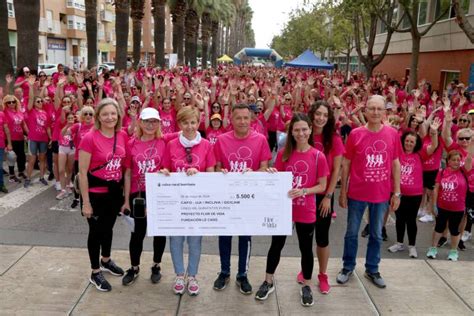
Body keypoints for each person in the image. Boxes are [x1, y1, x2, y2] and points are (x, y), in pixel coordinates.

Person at [254, 113, 328, 306]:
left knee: (305, 249)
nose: (301, 133)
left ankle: (307, 285)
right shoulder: (284, 154)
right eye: (296, 130)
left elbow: (322, 185)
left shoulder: (318, 156)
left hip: (306, 210)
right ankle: (268, 281)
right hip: (284, 209)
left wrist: (304, 190)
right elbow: (277, 178)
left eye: (304, 129)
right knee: (276, 245)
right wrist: (271, 173)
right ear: (291, 132)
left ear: (310, 129)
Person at [337, 95, 402, 289]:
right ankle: (347, 266)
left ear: (384, 112)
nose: (375, 112)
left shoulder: (392, 134)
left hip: (381, 194)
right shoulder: (356, 134)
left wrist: (397, 192)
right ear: (365, 111)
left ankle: (372, 269)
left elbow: (395, 164)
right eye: (371, 108)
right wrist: (343, 191)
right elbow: (346, 163)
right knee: (351, 233)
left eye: (378, 109)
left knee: (376, 234)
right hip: (357, 193)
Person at [213, 103, 272, 295]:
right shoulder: (221, 140)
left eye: (246, 118)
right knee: (225, 235)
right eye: (238, 118)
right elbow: (216, 167)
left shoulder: (260, 139)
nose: (242, 121)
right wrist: (220, 171)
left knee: (245, 236)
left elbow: (264, 168)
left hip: (249, 197)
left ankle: (242, 274)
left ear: (252, 118)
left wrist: (253, 172)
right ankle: (224, 271)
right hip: (226, 195)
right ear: (231, 119)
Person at [162, 106, 216, 296]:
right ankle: (179, 274)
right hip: (175, 201)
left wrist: (197, 174)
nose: (190, 126)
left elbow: (210, 174)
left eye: (193, 122)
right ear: (179, 124)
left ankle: (192, 276)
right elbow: (165, 168)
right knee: (175, 240)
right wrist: (165, 173)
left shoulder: (207, 145)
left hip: (197, 203)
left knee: (194, 241)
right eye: (185, 122)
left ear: (198, 123)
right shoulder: (171, 144)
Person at [293, 101, 344, 294]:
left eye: (325, 114)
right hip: (303, 194)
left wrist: (328, 196)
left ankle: (322, 274)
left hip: (323, 195)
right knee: (305, 239)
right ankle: (306, 269)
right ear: (311, 114)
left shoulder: (334, 139)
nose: (321, 118)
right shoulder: (303, 133)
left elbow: (337, 169)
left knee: (322, 238)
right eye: (318, 114)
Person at [79, 98, 127, 292]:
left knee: (108, 228)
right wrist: (86, 203)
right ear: (98, 116)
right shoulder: (90, 138)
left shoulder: (121, 135)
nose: (110, 117)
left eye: (113, 114)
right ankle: (95, 271)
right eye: (105, 114)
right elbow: (82, 173)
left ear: (118, 115)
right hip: (95, 193)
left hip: (114, 192)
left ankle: (106, 260)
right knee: (96, 232)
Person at [121, 108, 168, 286]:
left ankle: (156, 265)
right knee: (138, 232)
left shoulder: (164, 142)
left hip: (158, 194)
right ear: (140, 122)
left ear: (159, 123)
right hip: (138, 195)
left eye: (154, 121)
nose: (150, 125)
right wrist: (126, 200)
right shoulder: (131, 144)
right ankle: (134, 267)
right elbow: (127, 173)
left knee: (159, 232)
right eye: (147, 121)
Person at [387, 120, 440, 258]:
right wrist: (388, 128)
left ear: (416, 144)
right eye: (407, 141)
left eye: (412, 142)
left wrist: (433, 131)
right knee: (399, 219)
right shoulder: (396, 152)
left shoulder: (420, 154)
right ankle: (399, 243)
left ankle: (412, 246)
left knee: (411, 220)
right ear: (403, 140)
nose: (409, 143)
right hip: (397, 193)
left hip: (415, 194)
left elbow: (434, 145)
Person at [427, 150, 470, 261]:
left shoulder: (464, 172)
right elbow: (436, 189)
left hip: (458, 208)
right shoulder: (442, 172)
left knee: (454, 230)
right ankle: (433, 249)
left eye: (458, 160)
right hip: (442, 206)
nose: (456, 162)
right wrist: (433, 204)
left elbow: (469, 159)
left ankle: (453, 252)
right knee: (438, 228)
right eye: (453, 160)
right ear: (448, 161)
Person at [24, 78, 52, 188]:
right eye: (38, 101)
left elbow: (48, 127)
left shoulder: (46, 112)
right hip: (33, 138)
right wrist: (31, 87)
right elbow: (31, 98)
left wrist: (50, 138)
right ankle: (28, 178)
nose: (40, 102)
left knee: (42, 159)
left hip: (44, 139)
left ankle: (41, 177)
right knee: (32, 159)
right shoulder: (31, 111)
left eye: (41, 101)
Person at [67, 106, 95, 208]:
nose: (88, 116)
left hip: (93, 159)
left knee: (90, 178)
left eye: (90, 114)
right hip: (78, 158)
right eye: (86, 114)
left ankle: (89, 199)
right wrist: (68, 125)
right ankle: (76, 198)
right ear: (82, 116)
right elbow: (66, 132)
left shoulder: (96, 127)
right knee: (78, 178)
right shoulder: (78, 126)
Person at [2, 95, 27, 182]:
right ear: (6, 104)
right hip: (10, 139)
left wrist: (28, 134)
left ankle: (21, 171)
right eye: (9, 102)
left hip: (20, 138)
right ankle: (12, 175)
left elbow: (23, 124)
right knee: (11, 156)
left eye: (13, 101)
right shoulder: (5, 112)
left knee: (21, 156)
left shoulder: (19, 112)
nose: (11, 103)